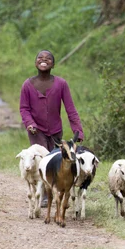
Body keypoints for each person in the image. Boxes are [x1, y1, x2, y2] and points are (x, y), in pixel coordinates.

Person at [19, 50, 85, 206]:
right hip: (36, 130)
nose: (43, 60)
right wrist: (30, 123)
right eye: (40, 58)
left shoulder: (61, 84)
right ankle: (43, 195)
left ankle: (56, 192)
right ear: (35, 63)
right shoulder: (27, 85)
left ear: (53, 64)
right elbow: (24, 108)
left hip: (55, 131)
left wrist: (78, 129)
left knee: (56, 161)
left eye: (48, 59)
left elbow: (70, 108)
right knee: (41, 161)